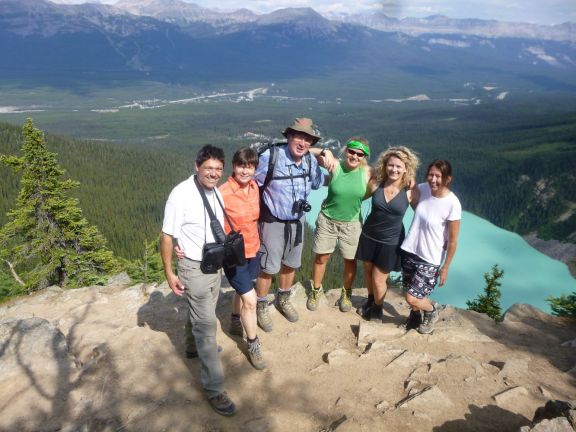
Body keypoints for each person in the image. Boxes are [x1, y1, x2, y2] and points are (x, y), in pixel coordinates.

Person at [160, 144, 236, 417]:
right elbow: (167, 235)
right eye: (208, 168)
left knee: (202, 313)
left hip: (213, 264)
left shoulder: (216, 191)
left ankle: (191, 347)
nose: (214, 174)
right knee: (207, 326)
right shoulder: (180, 195)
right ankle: (215, 389)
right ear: (196, 166)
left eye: (218, 169)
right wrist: (169, 273)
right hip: (193, 267)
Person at [255, 118, 325, 332]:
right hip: (273, 221)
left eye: (307, 139)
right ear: (288, 137)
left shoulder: (310, 161)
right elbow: (249, 181)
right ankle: (261, 305)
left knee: (291, 263)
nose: (302, 143)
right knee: (268, 267)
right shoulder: (270, 157)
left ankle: (283, 299)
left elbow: (317, 183)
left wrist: (322, 156)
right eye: (298, 136)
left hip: (297, 220)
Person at [306, 138, 374, 312]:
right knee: (321, 257)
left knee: (350, 260)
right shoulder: (335, 165)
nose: (354, 156)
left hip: (351, 224)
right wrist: (325, 151)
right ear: (345, 151)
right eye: (351, 152)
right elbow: (307, 150)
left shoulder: (367, 172)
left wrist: (410, 181)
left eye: (360, 154)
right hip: (328, 220)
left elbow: (392, 175)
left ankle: (346, 293)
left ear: (364, 156)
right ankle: (316, 290)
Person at [355, 147, 420, 322]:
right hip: (369, 235)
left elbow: (423, 214)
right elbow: (357, 197)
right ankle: (370, 300)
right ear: (385, 166)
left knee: (378, 277)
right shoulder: (376, 183)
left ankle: (378, 308)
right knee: (368, 270)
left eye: (399, 166)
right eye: (391, 165)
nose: (394, 169)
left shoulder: (410, 191)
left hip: (391, 242)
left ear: (406, 168)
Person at [218, 147, 267, 370]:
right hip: (233, 255)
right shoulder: (223, 192)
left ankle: (235, 320)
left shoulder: (256, 187)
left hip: (253, 249)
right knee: (251, 299)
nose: (245, 171)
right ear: (234, 166)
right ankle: (253, 343)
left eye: (250, 166)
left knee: (243, 290)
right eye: (241, 166)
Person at [400, 159, 462, 334]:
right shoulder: (424, 189)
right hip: (410, 249)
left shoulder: (453, 204)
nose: (433, 180)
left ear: (447, 179)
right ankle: (415, 315)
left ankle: (431, 311)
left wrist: (446, 267)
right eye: (431, 175)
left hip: (430, 258)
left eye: (438, 176)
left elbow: (453, 240)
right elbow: (417, 206)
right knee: (408, 289)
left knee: (411, 296)